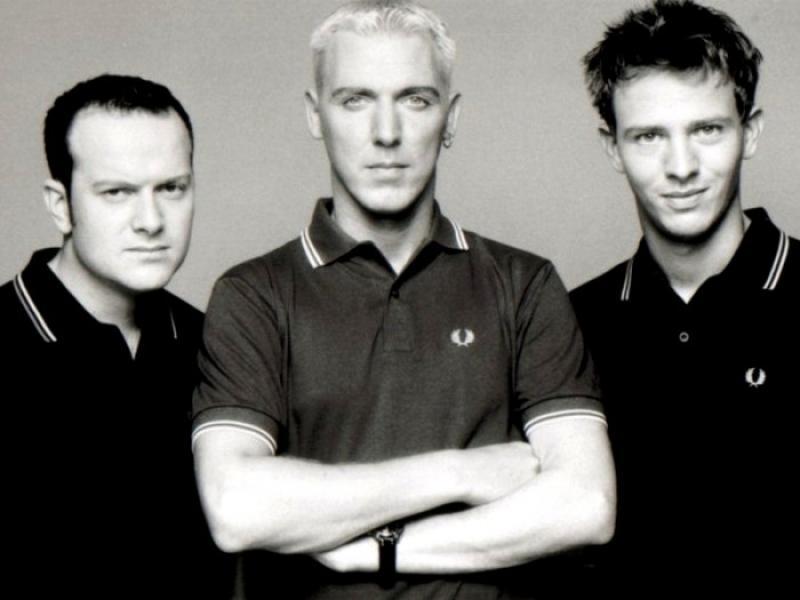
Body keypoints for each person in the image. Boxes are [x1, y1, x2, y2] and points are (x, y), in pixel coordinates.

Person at [192, 1, 615, 598]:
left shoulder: (523, 284)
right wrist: (461, 472)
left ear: (451, 118)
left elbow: (586, 504)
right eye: (355, 100)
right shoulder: (253, 295)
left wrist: (377, 552)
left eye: (415, 99)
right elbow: (237, 509)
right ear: (315, 115)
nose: (386, 133)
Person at [571, 0, 799, 593]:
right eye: (649, 136)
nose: (681, 167)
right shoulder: (570, 324)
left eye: (706, 130)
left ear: (750, 132)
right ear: (612, 148)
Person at [0, 74, 233, 597]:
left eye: (171, 188)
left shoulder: (217, 347)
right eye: (117, 192)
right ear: (60, 205)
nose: (150, 221)